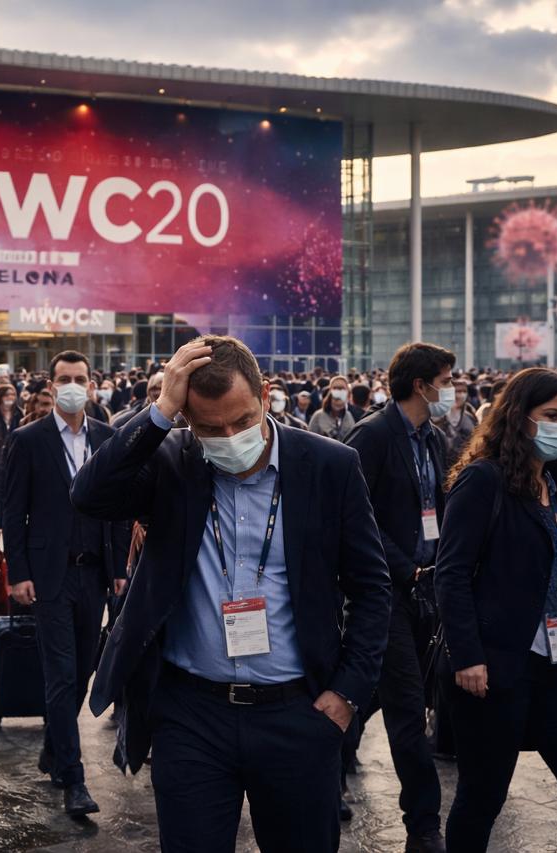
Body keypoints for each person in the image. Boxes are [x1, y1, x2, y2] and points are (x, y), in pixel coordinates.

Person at [71, 337, 391, 851]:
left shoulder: (330, 466)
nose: (230, 438)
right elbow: (89, 495)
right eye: (210, 428)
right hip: (191, 716)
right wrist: (161, 410)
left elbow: (372, 588)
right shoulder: (172, 460)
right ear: (188, 421)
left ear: (265, 394)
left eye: (242, 421)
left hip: (297, 711)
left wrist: (346, 694)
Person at [435, 367, 557, 852]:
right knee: (481, 801)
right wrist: (467, 656)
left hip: (556, 669)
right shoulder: (483, 480)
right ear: (520, 417)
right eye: (551, 415)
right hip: (494, 669)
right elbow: (451, 574)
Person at [2, 351, 130, 817]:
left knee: (83, 669)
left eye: (79, 378)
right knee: (61, 674)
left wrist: (119, 567)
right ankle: (74, 779)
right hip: (49, 575)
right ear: (51, 385)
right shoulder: (28, 440)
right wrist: (19, 572)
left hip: (94, 572)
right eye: (64, 379)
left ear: (91, 385)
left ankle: (55, 745)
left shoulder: (106, 437)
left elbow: (118, 506)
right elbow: (12, 511)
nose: (72, 385)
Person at [345, 342, 456, 852]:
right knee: (408, 707)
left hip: (426, 589)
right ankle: (423, 825)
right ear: (420, 385)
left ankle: (330, 755)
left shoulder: (433, 438)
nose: (451, 390)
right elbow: (357, 517)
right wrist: (404, 566)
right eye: (446, 381)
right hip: (385, 590)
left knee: (375, 693)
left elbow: (436, 506)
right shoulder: (372, 436)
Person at [308, 376, 356, 441]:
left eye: (342, 388)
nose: (339, 391)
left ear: (347, 391)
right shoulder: (318, 416)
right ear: (330, 391)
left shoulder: (350, 415)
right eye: (335, 388)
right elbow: (309, 440)